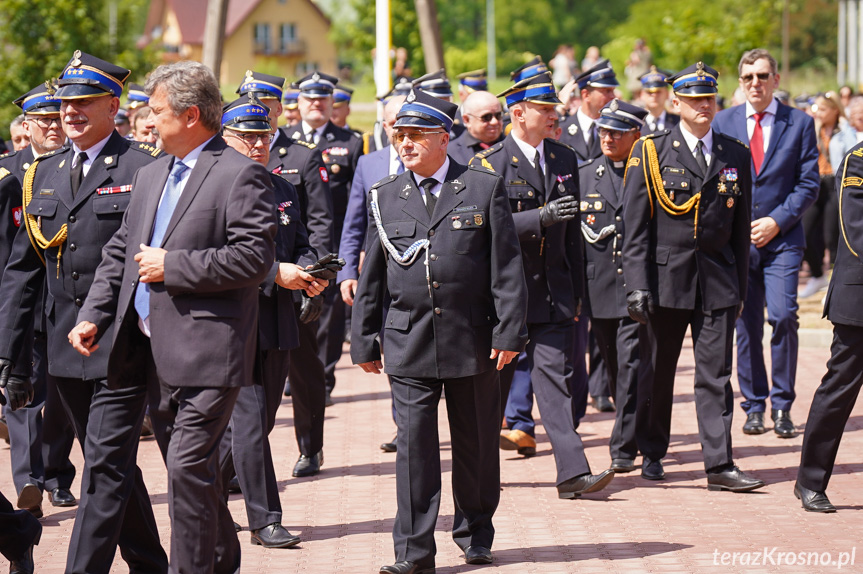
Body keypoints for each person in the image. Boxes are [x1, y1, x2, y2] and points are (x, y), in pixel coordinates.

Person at [68, 60, 276, 573]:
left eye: (156, 111)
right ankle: (222, 557)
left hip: (209, 351)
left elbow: (253, 258)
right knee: (192, 471)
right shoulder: (151, 171)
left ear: (189, 116)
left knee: (185, 469)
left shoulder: (239, 173)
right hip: (148, 350)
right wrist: (95, 314)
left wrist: (174, 266)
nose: (146, 119)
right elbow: (121, 251)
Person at [0, 50, 168, 574]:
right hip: (61, 348)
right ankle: (149, 563)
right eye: (65, 102)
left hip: (124, 345)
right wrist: (12, 358)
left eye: (84, 102)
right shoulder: (42, 174)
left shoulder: (145, 167)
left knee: (103, 466)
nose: (69, 112)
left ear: (113, 105)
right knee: (110, 462)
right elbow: (23, 273)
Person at [352, 86, 527, 574]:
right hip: (409, 339)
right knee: (414, 452)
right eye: (399, 135)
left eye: (415, 135)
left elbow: (505, 269)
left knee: (474, 445)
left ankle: (476, 532)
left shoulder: (482, 188)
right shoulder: (386, 196)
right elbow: (373, 275)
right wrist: (364, 336)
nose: (404, 144)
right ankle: (413, 553)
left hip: (472, 338)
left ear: (444, 138)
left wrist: (509, 332)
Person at [471, 70, 615, 498]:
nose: (556, 116)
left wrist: (576, 293)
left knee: (555, 385)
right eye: (546, 109)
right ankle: (477, 474)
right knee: (490, 393)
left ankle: (573, 473)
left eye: (555, 108)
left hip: (553, 296)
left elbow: (572, 235)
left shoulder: (564, 158)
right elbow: (481, 230)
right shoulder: (489, 164)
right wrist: (539, 219)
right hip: (505, 301)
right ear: (518, 113)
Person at [623, 61, 763, 492]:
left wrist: (739, 286)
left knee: (715, 375)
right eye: (695, 99)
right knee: (658, 370)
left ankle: (719, 465)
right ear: (676, 102)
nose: (704, 105)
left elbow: (741, 230)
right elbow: (635, 226)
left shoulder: (734, 153)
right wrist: (637, 284)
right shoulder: (651, 150)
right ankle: (652, 449)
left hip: (717, 280)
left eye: (710, 98)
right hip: (665, 281)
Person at [217, 94, 324, 546]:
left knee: (254, 425)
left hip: (277, 321)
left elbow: (299, 241)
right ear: (225, 137)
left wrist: (311, 271)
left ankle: (202, 481)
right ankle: (265, 519)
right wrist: (274, 273)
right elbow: (216, 255)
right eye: (246, 136)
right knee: (249, 419)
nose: (257, 144)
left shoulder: (281, 187)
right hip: (230, 320)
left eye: (263, 135)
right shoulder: (212, 186)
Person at [712, 49, 819, 439]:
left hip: (783, 239)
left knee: (784, 316)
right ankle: (754, 405)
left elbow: (808, 183)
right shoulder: (723, 122)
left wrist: (777, 221)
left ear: (775, 80)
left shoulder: (800, 123)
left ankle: (783, 405)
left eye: (762, 76)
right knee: (746, 324)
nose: (755, 83)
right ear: (740, 83)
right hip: (738, 244)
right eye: (747, 78)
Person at [241, 70, 333, 475]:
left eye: (266, 102)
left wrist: (313, 284)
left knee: (305, 365)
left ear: (281, 107)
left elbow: (318, 225)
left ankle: (310, 446)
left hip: (298, 280)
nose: (259, 108)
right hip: (249, 287)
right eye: (249, 100)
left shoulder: (302, 156)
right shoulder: (232, 152)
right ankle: (241, 464)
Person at [1, 83, 77, 518]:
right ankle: (28, 478)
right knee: (22, 390)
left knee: (64, 396)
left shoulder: (74, 167)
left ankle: (57, 473)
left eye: (56, 118)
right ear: (25, 125)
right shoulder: (9, 175)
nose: (51, 126)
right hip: (24, 305)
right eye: (42, 120)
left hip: (66, 302)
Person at [578, 99, 648, 473]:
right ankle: (632, 429)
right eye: (603, 131)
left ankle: (623, 446)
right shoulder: (586, 174)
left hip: (636, 287)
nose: (608, 138)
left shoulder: (648, 172)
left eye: (617, 132)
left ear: (637, 134)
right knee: (613, 365)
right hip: (599, 288)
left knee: (632, 365)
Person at [795, 141, 863, 513]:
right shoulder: (859, 159)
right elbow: (856, 229)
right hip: (859, 299)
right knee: (839, 390)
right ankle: (810, 479)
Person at [290, 71, 363, 405]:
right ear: (299, 103)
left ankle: (325, 376)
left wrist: (357, 244)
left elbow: (357, 198)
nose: (316, 104)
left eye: (322, 98)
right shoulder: (285, 141)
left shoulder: (350, 142)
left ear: (332, 103)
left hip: (332, 241)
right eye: (310, 98)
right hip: (290, 240)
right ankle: (296, 373)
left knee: (329, 314)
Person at [338, 94, 405, 453]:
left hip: (421, 274)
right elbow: (354, 223)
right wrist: (348, 270)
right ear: (383, 126)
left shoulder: (433, 161)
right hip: (380, 274)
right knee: (392, 348)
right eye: (393, 123)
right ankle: (404, 425)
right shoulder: (368, 164)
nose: (400, 131)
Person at [800, 92, 845, 298]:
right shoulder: (812, 129)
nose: (818, 113)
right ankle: (817, 274)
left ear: (835, 110)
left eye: (823, 109)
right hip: (816, 183)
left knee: (832, 236)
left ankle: (836, 285)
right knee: (805, 231)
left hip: (835, 184)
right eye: (816, 108)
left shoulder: (844, 132)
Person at [559, 60, 619, 164]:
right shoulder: (562, 128)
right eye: (607, 91)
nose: (613, 96)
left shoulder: (618, 130)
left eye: (613, 91)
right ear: (586, 95)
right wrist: (559, 109)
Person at [448, 90, 504, 164]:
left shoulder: (513, 147)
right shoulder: (449, 153)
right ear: (467, 120)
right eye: (486, 117)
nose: (495, 122)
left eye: (498, 115)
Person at [639, 66, 679, 135]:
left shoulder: (679, 123)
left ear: (667, 94)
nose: (654, 95)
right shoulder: (636, 124)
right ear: (642, 95)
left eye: (658, 92)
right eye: (649, 92)